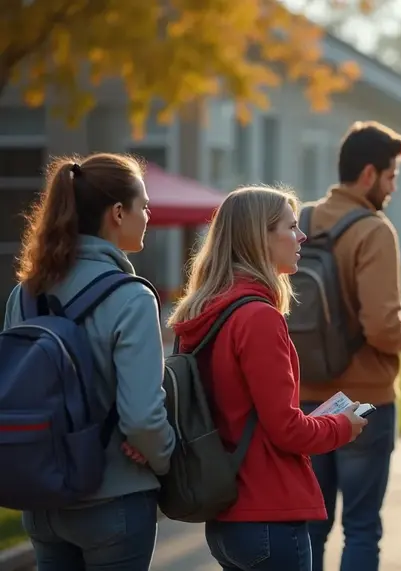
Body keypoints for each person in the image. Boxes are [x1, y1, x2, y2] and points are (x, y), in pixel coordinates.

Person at [168, 186, 369, 571]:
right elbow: (287, 430)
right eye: (291, 227)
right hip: (267, 512)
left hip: (226, 516)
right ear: (260, 237)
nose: (302, 237)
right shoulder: (258, 318)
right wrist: (342, 426)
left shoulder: (202, 313)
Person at [3, 153, 175, 570]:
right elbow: (142, 419)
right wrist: (166, 459)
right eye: (145, 205)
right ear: (118, 213)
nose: (149, 215)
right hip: (113, 498)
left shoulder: (25, 294)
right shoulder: (132, 297)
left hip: (42, 499)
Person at [298, 121, 401, 571]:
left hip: (305, 398)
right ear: (369, 174)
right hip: (362, 403)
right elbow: (384, 328)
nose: (391, 188)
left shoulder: (301, 220)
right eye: (391, 177)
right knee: (362, 527)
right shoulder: (374, 230)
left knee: (310, 526)